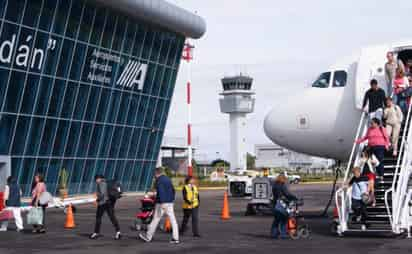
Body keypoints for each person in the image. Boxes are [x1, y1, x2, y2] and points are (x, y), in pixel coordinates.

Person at [139, 168, 179, 244]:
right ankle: (175, 238)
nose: (154, 176)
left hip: (161, 203)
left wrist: (163, 202)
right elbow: (173, 190)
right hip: (170, 202)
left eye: (154, 174)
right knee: (173, 220)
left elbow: (161, 191)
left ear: (157, 173)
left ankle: (148, 236)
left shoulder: (159, 180)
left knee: (156, 219)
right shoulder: (168, 179)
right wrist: (172, 199)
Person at [90, 175, 122, 240]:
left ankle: (96, 233)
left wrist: (97, 200)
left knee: (98, 218)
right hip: (110, 202)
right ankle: (118, 232)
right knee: (112, 217)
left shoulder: (101, 184)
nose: (96, 181)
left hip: (103, 203)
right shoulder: (107, 183)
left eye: (96, 179)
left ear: (98, 179)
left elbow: (102, 194)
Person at [271, 174, 297, 239]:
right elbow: (287, 194)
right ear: (283, 179)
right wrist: (294, 198)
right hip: (281, 204)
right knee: (284, 218)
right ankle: (283, 234)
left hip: (275, 204)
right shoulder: (282, 185)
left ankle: (274, 234)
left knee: (276, 220)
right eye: (285, 179)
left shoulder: (274, 185)